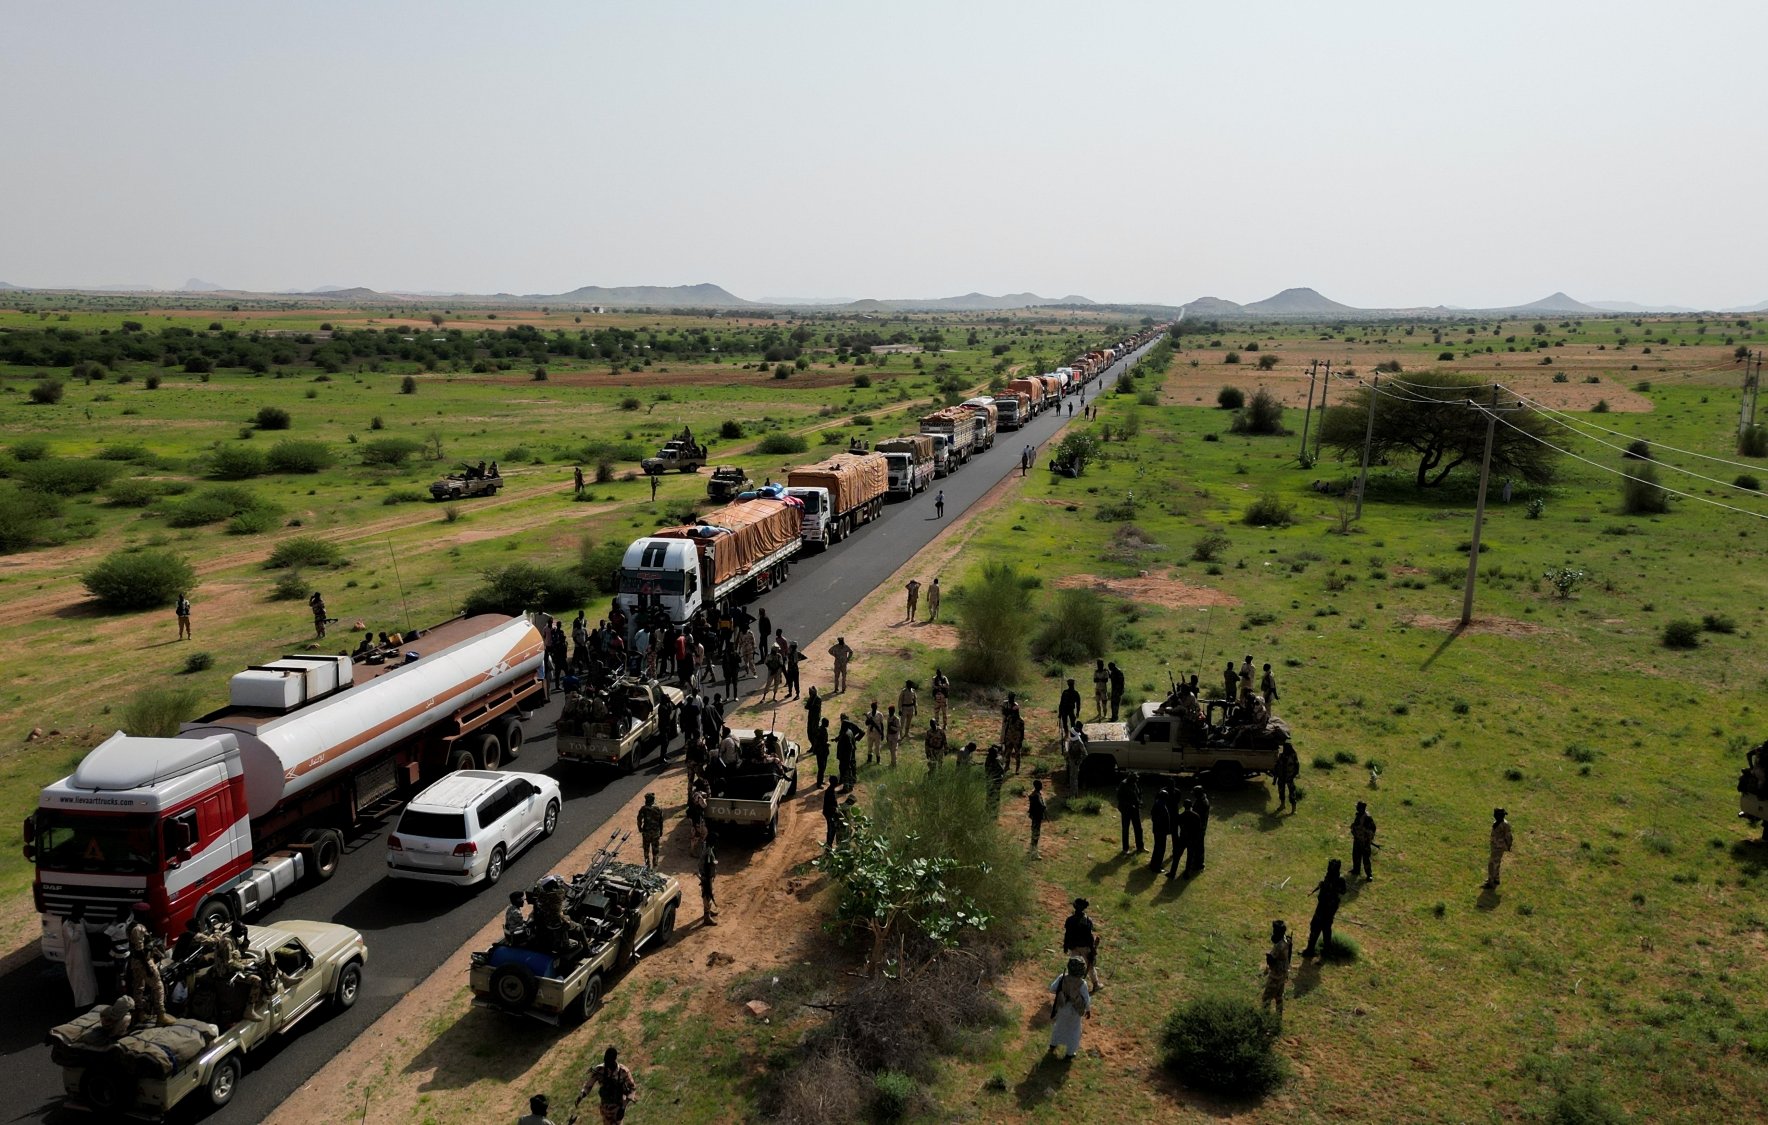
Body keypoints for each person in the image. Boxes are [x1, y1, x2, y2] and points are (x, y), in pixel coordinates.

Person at [1047, 956, 1092, 1060]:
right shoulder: (1082, 983)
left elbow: (1052, 988)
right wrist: (1088, 1010)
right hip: (1075, 1011)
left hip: (1062, 1008)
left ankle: (1053, 1045)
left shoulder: (1062, 977)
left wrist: (1062, 992)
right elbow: (1086, 999)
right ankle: (1070, 1053)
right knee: (1074, 1031)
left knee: (1059, 1026)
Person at [1302, 858, 1348, 958]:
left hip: (1329, 909)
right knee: (1314, 927)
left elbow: (1343, 891)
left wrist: (1332, 887)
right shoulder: (1328, 877)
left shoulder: (1339, 880)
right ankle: (1310, 950)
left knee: (1326, 929)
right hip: (1321, 906)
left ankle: (1326, 951)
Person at [580, 1045, 636, 1124]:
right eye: (605, 1061)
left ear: (614, 1060)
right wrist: (582, 1094)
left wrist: (623, 1108)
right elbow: (589, 1085)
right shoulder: (599, 1069)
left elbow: (632, 1088)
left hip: (618, 1107)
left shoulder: (623, 1071)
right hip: (605, 1107)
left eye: (608, 1061)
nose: (606, 1063)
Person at [60, 906, 98, 1008]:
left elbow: (90, 927)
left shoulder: (80, 920)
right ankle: (83, 1003)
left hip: (84, 956)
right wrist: (77, 926)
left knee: (88, 976)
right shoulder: (67, 925)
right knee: (79, 979)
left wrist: (105, 926)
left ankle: (91, 999)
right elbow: (74, 938)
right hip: (75, 958)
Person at [1062, 898, 1102, 991]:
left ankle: (1070, 986)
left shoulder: (1070, 920)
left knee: (1073, 965)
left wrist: (1065, 946)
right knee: (1090, 966)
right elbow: (1089, 937)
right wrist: (1093, 950)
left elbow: (1067, 934)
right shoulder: (1087, 920)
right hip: (1085, 947)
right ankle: (1096, 984)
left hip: (1073, 947)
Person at [1260, 920, 1294, 1018]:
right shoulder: (1287, 940)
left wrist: (1269, 957)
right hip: (1284, 973)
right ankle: (1278, 1018)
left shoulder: (1279, 946)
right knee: (1279, 997)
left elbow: (1271, 961)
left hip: (1276, 975)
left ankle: (1264, 1018)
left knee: (1266, 998)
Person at [1170, 795, 1198, 879]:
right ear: (1191, 806)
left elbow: (1177, 826)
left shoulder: (1181, 816)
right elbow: (1198, 829)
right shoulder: (1196, 816)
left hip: (1183, 838)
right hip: (1192, 839)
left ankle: (1172, 873)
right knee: (1190, 857)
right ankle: (1187, 873)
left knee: (1177, 856)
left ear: (1184, 806)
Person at [1485, 807, 1514, 889]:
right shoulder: (1497, 822)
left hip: (1499, 847)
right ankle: (1496, 879)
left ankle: (1491, 882)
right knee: (1496, 863)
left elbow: (1509, 837)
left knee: (1492, 864)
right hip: (1495, 846)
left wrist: (1508, 846)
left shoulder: (1505, 825)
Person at [1116, 770, 1143, 853]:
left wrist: (1139, 801)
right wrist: (1129, 805)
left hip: (1135, 809)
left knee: (1138, 828)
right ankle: (1125, 849)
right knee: (1125, 829)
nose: (1136, 781)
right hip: (1126, 809)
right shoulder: (1123, 784)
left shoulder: (1134, 783)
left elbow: (1139, 793)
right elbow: (1119, 798)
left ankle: (1140, 847)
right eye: (1135, 780)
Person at [1148, 785, 1173, 874]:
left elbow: (1153, 814)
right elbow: (1162, 819)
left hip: (1157, 830)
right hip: (1161, 831)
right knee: (1161, 849)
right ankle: (1156, 867)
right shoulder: (1162, 806)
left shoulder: (1157, 803)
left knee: (1157, 847)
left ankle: (1153, 864)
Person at [1350, 800, 1377, 881]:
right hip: (1357, 840)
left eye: (1357, 806)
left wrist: (1368, 839)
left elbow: (1373, 829)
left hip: (1364, 842)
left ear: (1361, 808)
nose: (1356, 807)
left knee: (1366, 859)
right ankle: (1356, 870)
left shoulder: (1367, 817)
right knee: (1356, 856)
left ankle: (1369, 875)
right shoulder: (1359, 815)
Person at [637, 793, 665, 870]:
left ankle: (647, 865)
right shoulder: (658, 808)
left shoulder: (643, 808)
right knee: (655, 850)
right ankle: (655, 867)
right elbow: (661, 821)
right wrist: (661, 831)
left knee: (646, 850)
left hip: (646, 833)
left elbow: (639, 819)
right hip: (656, 833)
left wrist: (640, 828)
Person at [1189, 785, 1212, 873]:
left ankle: (1197, 865)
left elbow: (1197, 817)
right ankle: (1198, 864)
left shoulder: (1201, 803)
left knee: (1197, 847)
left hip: (1198, 829)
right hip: (1200, 828)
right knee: (1199, 846)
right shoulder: (1203, 800)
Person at [837, 713, 863, 789]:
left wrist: (855, 739)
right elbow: (841, 735)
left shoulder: (850, 725)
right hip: (845, 748)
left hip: (849, 749)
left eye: (842, 718)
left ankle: (851, 780)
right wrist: (837, 739)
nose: (841, 720)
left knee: (851, 764)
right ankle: (843, 779)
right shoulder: (844, 726)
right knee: (844, 765)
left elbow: (862, 732)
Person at [1274, 742, 1300, 812]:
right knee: (1281, 792)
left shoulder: (1293, 755)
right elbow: (1277, 766)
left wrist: (1295, 774)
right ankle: (1282, 805)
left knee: (1292, 793)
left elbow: (1297, 765)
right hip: (1281, 777)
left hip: (1289, 777)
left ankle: (1294, 809)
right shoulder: (1281, 756)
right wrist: (1275, 777)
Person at [686, 778, 709, 856]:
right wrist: (704, 799)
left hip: (693, 816)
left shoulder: (694, 794)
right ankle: (693, 851)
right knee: (699, 834)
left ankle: (695, 849)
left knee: (698, 833)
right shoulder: (699, 796)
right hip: (697, 818)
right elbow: (704, 805)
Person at [698, 843, 718, 926]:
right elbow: (705, 864)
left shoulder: (707, 847)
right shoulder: (708, 851)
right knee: (707, 895)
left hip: (707, 876)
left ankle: (708, 911)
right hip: (706, 877)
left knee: (709, 895)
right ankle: (707, 916)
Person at [810, 716, 831, 788]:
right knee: (821, 768)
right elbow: (819, 742)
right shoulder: (821, 730)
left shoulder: (822, 729)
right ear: (825, 723)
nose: (828, 724)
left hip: (823, 751)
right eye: (827, 723)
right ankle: (819, 784)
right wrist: (826, 744)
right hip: (821, 752)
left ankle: (821, 781)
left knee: (823, 767)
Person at [1029, 779, 1047, 858]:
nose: (1041, 787)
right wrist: (1044, 807)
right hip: (1036, 816)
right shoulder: (1036, 795)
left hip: (1035, 816)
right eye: (1040, 785)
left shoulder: (1035, 794)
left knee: (1035, 832)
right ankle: (1034, 852)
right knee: (1036, 833)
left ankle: (1032, 849)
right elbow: (1041, 806)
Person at [822, 779, 841, 848]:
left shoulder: (830, 790)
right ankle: (829, 845)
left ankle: (829, 844)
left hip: (828, 812)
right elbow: (832, 805)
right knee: (831, 829)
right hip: (829, 813)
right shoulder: (830, 792)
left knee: (831, 829)